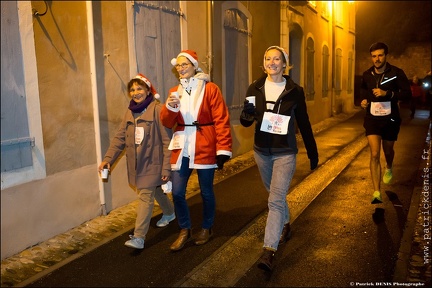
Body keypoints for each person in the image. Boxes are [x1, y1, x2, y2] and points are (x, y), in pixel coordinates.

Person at [240, 46, 318, 271]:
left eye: (277, 59)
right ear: (264, 62)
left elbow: (304, 122)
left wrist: (312, 153)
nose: (272, 62)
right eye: (268, 58)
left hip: (285, 152)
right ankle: (285, 223)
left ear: (285, 63)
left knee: (274, 200)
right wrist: (245, 115)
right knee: (275, 194)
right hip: (261, 151)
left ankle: (269, 250)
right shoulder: (254, 88)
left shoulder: (295, 91)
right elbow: (246, 121)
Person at [160, 50, 232, 252]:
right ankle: (185, 229)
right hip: (183, 144)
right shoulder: (175, 91)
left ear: (194, 65)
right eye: (178, 66)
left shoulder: (210, 89)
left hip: (205, 142)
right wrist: (170, 108)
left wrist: (223, 148)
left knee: (206, 191)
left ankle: (207, 228)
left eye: (185, 64)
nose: (181, 68)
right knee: (177, 191)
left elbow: (221, 119)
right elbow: (166, 121)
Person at [98, 74, 176, 250]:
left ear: (148, 90)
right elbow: (119, 138)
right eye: (132, 89)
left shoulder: (158, 110)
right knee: (155, 190)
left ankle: (139, 237)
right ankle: (170, 213)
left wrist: (166, 169)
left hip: (153, 163)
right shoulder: (130, 112)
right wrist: (107, 159)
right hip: (136, 164)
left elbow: (167, 141)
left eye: (139, 88)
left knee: (145, 197)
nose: (135, 92)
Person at [360, 42, 411, 204]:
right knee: (374, 153)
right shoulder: (367, 74)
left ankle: (389, 165)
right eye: (374, 56)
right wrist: (363, 101)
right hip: (372, 119)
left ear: (386, 55)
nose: (377, 59)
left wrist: (387, 93)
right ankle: (376, 192)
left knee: (388, 150)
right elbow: (363, 91)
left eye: (380, 55)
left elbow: (406, 94)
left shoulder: (396, 73)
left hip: (390, 119)